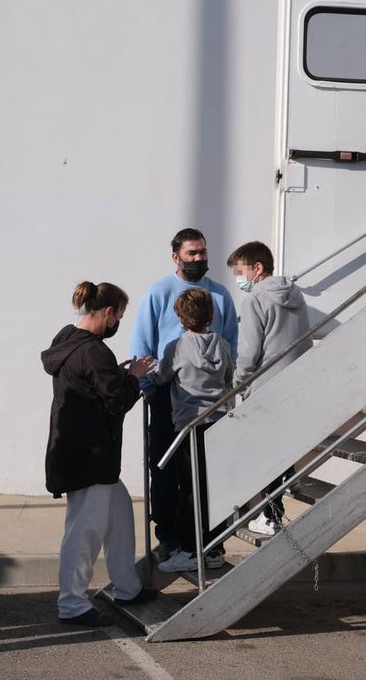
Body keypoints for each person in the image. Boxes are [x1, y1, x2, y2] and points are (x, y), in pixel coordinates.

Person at [42, 281, 157, 627]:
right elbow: (116, 401)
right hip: (89, 456)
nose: (118, 321)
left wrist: (118, 376)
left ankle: (127, 586)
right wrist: (134, 377)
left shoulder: (66, 338)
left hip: (82, 452)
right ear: (108, 313)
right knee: (84, 530)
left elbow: (91, 386)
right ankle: (72, 604)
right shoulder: (94, 352)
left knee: (119, 513)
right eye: (119, 315)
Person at [129, 228, 238, 561]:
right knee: (165, 471)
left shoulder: (220, 295)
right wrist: (148, 388)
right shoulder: (158, 293)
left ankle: (207, 542)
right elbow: (142, 345)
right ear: (176, 256)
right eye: (192, 253)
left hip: (210, 404)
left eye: (203, 252)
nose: (199, 259)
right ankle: (170, 538)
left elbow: (232, 342)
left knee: (206, 476)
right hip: (167, 397)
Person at [226, 241, 312, 536]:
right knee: (282, 452)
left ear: (257, 268)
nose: (239, 279)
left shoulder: (255, 300)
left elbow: (249, 352)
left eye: (240, 271)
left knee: (263, 454)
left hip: (266, 388)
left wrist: (239, 381)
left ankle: (267, 515)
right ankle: (273, 513)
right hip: (296, 382)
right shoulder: (296, 294)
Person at [149, 288, 234, 573]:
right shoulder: (221, 344)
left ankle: (188, 549)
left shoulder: (177, 347)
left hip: (188, 426)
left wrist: (148, 370)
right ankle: (214, 548)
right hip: (219, 421)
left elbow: (162, 376)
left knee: (189, 487)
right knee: (213, 487)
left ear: (181, 317)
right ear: (211, 315)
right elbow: (229, 376)